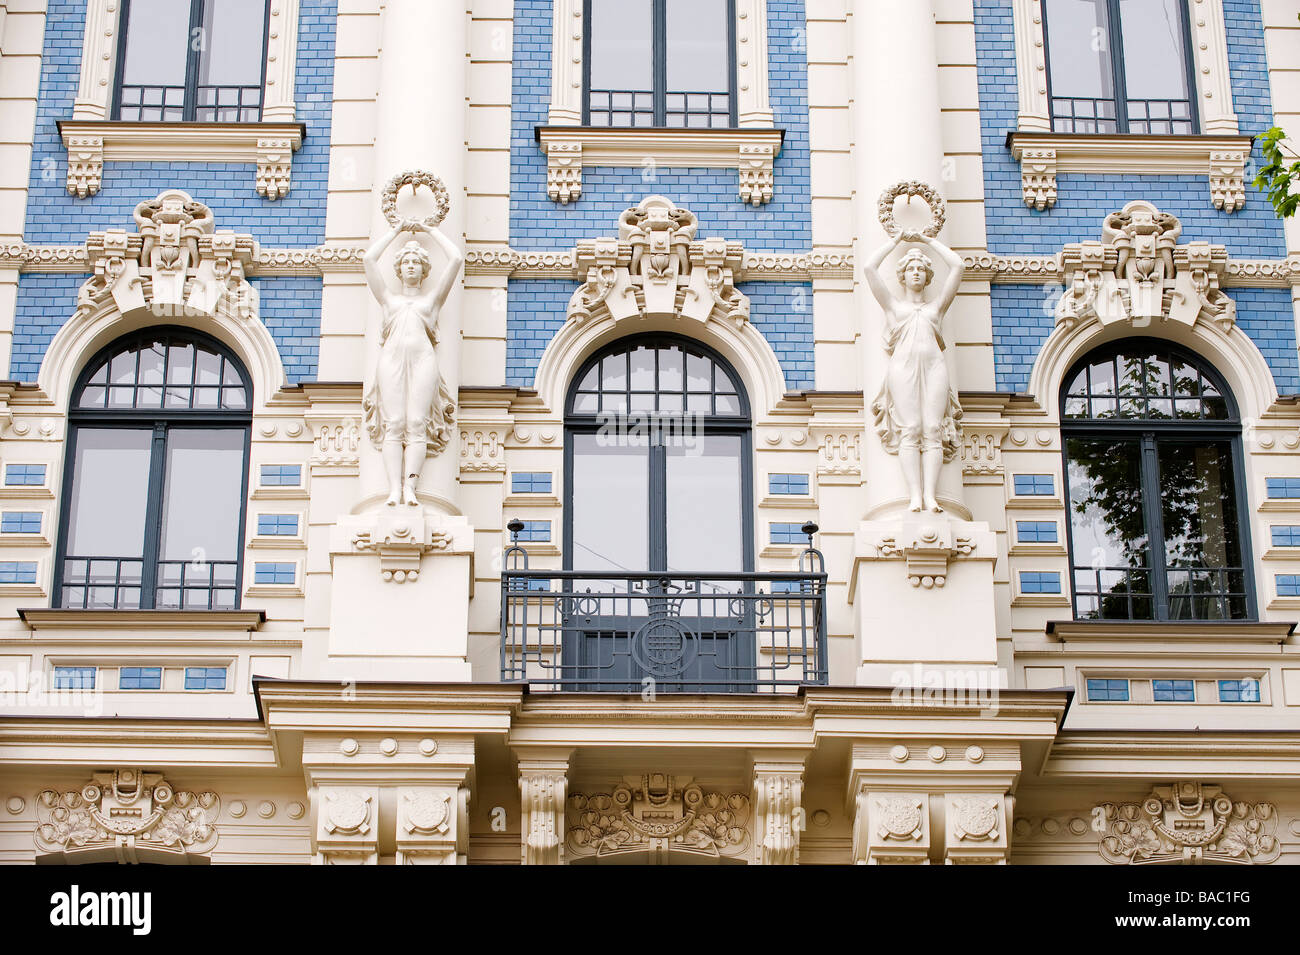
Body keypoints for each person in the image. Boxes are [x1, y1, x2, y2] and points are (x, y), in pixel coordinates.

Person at [861, 228, 964, 513]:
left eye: (921, 268)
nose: (916, 272)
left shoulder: (936, 309)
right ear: (902, 275)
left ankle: (931, 496)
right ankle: (915, 497)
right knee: (911, 429)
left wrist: (927, 240)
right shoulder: (894, 307)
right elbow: (869, 267)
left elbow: (958, 266)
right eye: (911, 268)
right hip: (902, 368)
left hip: (934, 368)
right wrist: (896, 240)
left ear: (928, 276)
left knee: (933, 429)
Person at [362, 220, 462, 506]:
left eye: (416, 262)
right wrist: (395, 230)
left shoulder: (431, 301)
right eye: (405, 262)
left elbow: (455, 258)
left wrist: (430, 229)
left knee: (417, 423)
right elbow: (369, 259)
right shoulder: (388, 301)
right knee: (394, 424)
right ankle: (394, 489)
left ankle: (410, 487)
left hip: (423, 361)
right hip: (391, 360)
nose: (410, 266)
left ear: (424, 269)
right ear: (398, 268)